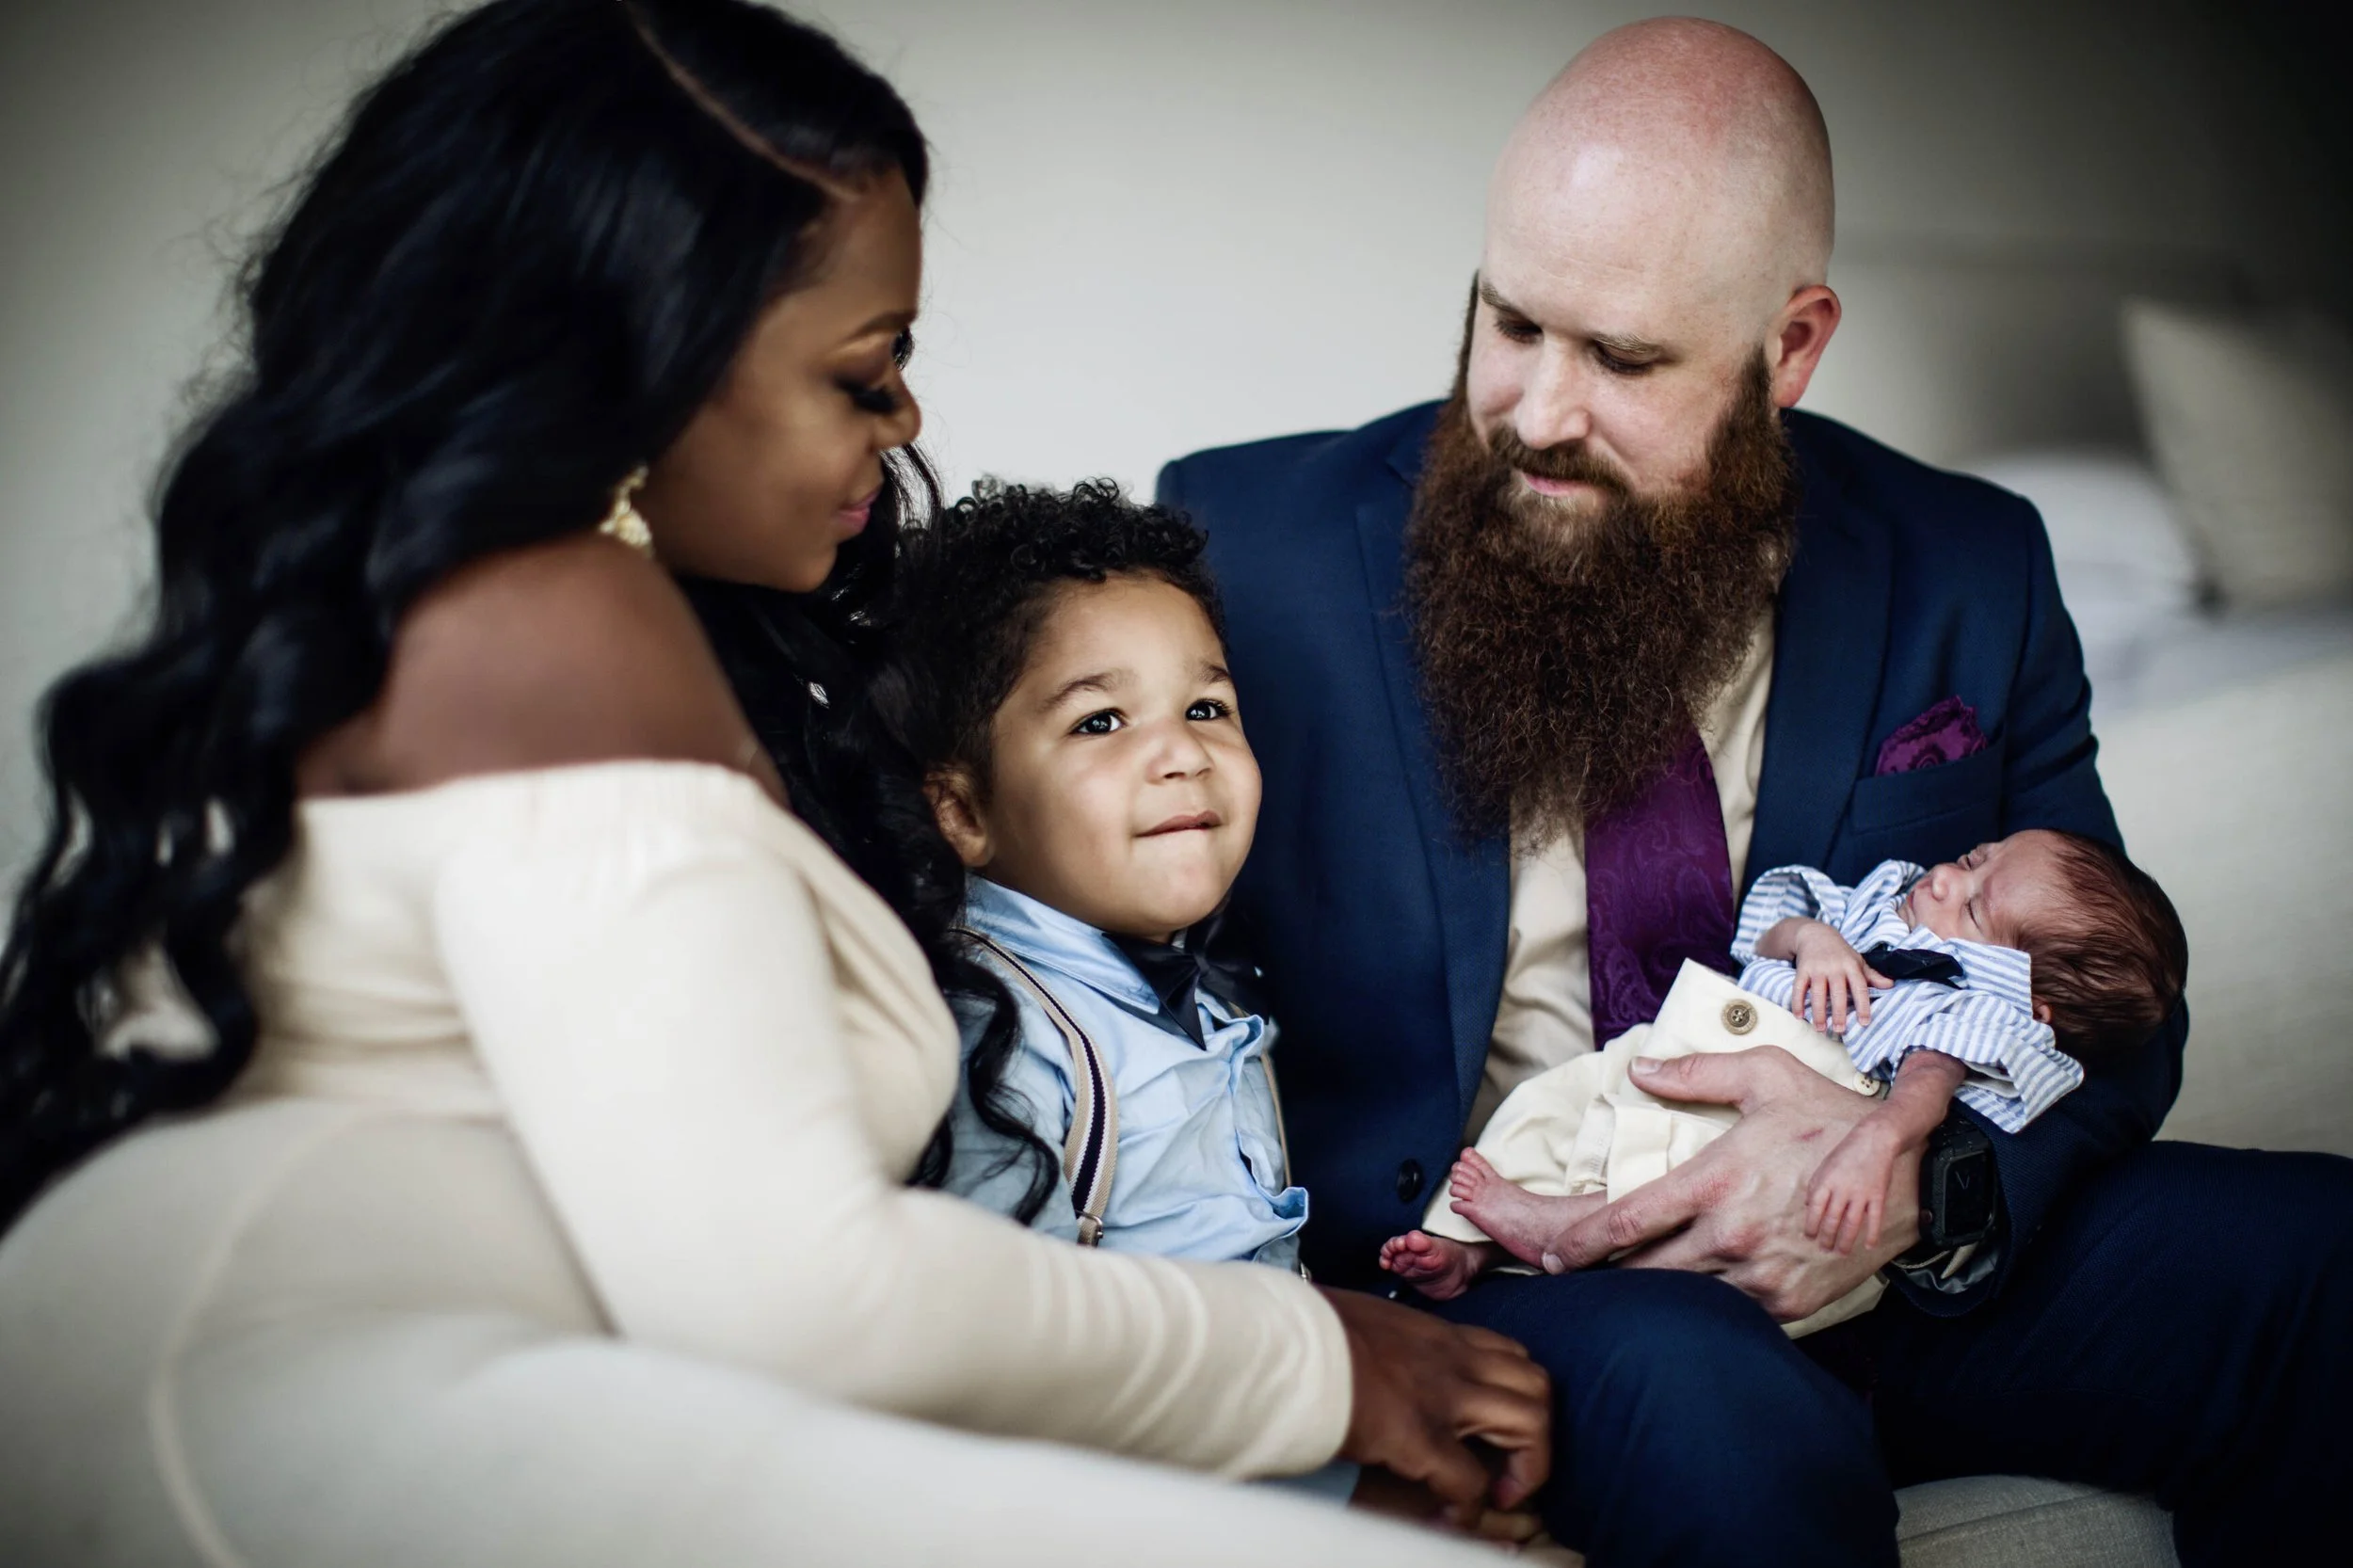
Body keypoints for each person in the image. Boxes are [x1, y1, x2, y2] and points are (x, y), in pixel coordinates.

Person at [0, 5, 1548, 1564]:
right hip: (306, 1422)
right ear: (648, 364)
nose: (905, 419)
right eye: (864, 372)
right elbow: (806, 1297)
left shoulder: (514, 613)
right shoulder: (555, 623)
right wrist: (1323, 1366)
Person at [1158, 16, 2353, 1565]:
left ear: (1791, 347)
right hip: (1510, 1271)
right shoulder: (1250, 543)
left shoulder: (1969, 565)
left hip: (1886, 1261)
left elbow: (2118, 1011)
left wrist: (1926, 1177)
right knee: (1717, 1397)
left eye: (1623, 358)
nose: (1536, 411)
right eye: (1510, 321)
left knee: (2322, 1262)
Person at [1384, 830, 2188, 1304]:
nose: (1947, 878)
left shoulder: (1967, 1013)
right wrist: (1814, 939)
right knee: (1552, 1101)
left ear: (2030, 1000)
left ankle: (1546, 1231)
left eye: (1975, 906)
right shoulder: (1882, 902)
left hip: (1755, 1135)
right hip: (1674, 1047)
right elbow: (1769, 928)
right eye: (1975, 857)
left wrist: (1881, 1148)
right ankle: (1468, 1243)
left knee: (1669, 1188)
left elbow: (1923, 1093)